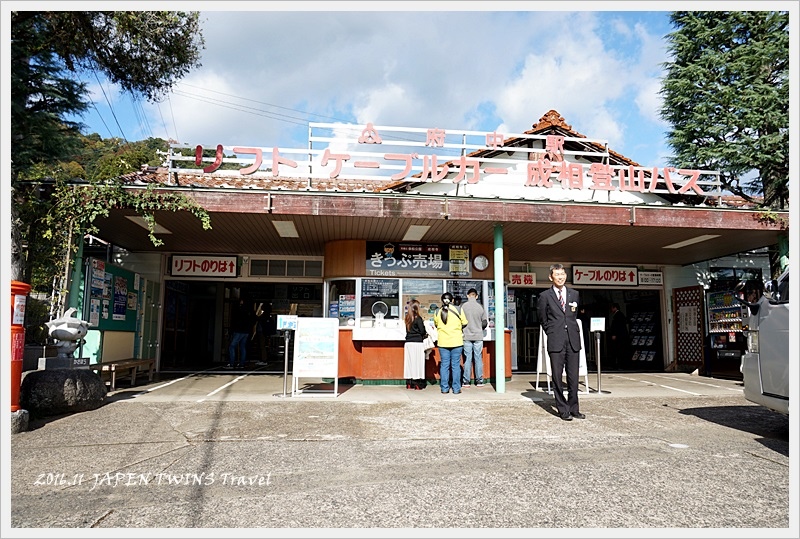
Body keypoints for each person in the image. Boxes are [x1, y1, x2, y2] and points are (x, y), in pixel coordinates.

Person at [536, 263, 585, 421]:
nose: (560, 277)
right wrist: (552, 331)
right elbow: (543, 318)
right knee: (557, 376)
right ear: (551, 277)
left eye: (562, 274)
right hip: (556, 340)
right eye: (557, 275)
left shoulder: (574, 294)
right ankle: (563, 409)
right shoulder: (545, 296)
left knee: (573, 376)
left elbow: (574, 315)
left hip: (572, 340)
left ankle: (574, 408)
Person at [434, 292, 468, 394]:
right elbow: (465, 322)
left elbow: (436, 324)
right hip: (456, 341)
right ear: (452, 300)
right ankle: (456, 388)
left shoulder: (437, 312)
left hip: (443, 342)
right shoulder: (458, 309)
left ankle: (444, 388)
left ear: (442, 300)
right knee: (456, 366)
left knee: (444, 365)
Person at [460, 288, 488, 388]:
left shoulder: (463, 307)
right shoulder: (480, 307)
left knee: (467, 359)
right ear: (476, 296)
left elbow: (460, 321)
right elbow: (485, 322)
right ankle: (479, 380)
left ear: (468, 295)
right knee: (478, 358)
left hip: (466, 335)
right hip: (478, 336)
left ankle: (466, 381)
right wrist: (479, 328)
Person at [226, 296, 261, 369]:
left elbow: (234, 320)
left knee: (232, 346)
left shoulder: (239, 309)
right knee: (243, 347)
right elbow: (255, 319)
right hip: (246, 331)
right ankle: (242, 363)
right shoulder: (250, 310)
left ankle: (231, 363)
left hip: (238, 330)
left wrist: (231, 330)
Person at [403, 299, 427, 390]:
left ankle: (409, 383)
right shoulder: (418, 319)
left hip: (408, 343)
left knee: (409, 363)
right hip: (417, 343)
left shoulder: (407, 318)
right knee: (417, 363)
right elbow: (422, 331)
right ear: (417, 308)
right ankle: (417, 383)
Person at [608, 302, 630, 369]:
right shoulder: (620, 315)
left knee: (619, 350)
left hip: (620, 336)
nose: (611, 309)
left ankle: (620, 365)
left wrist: (614, 334)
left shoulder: (618, 315)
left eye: (612, 308)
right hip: (622, 336)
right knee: (620, 350)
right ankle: (621, 364)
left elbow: (617, 326)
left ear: (615, 308)